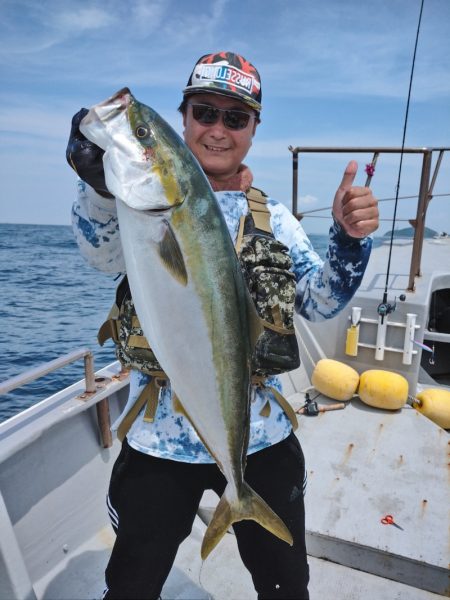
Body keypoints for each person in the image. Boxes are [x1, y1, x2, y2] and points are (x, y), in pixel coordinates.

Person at [67, 51, 379, 600]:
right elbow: (100, 257)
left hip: (259, 436)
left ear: (255, 129)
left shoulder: (274, 219)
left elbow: (321, 303)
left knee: (286, 588)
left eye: (235, 118)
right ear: (184, 117)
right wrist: (98, 186)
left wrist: (350, 242)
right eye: (204, 112)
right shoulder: (135, 205)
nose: (217, 129)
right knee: (131, 587)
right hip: (157, 441)